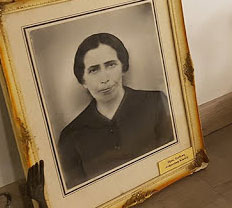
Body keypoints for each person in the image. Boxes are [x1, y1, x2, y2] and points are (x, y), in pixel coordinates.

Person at [58, 33, 174, 189]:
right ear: (83, 80)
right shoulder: (70, 137)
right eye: (93, 70)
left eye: (111, 65)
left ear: (123, 67)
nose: (104, 79)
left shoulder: (156, 102)